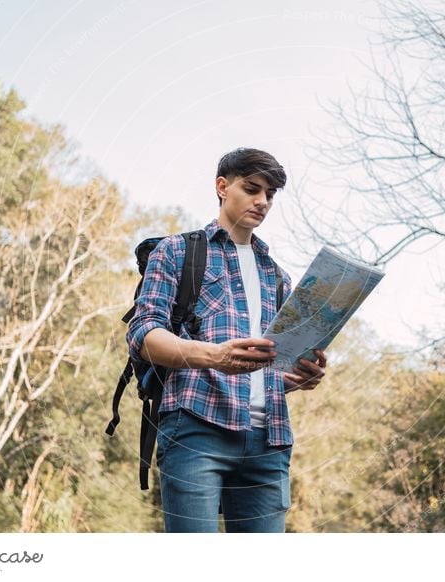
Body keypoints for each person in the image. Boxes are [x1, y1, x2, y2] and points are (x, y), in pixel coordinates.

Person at [126, 147, 327, 533]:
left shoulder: (277, 276)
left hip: (269, 441)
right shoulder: (176, 251)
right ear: (222, 186)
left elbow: (266, 369)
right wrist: (214, 356)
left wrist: (299, 377)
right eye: (252, 189)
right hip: (196, 430)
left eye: (270, 195)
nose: (262, 201)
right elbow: (143, 332)